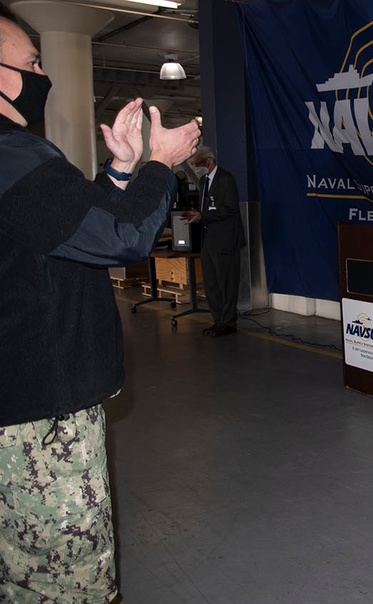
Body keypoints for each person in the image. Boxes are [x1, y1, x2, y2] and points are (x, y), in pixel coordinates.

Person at [0, 5, 201, 600]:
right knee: (67, 580)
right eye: (31, 62)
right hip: (39, 418)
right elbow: (121, 240)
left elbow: (68, 233)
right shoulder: (11, 156)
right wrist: (159, 164)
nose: (43, 74)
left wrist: (118, 169)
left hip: (19, 401)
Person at [182, 145, 245, 337]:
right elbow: (206, 208)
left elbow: (229, 209)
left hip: (225, 241)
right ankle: (218, 320)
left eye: (197, 164)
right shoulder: (203, 181)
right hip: (208, 240)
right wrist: (196, 214)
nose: (196, 168)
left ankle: (228, 322)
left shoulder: (226, 180)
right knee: (211, 283)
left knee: (227, 283)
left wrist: (202, 216)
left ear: (208, 162)